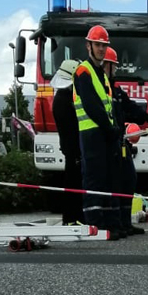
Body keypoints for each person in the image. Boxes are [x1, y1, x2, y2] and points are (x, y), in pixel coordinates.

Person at [103, 46, 148, 235]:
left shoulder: (116, 90)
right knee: (113, 184)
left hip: (121, 143)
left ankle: (124, 222)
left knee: (128, 180)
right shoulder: (101, 88)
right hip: (108, 143)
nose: (115, 69)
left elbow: (131, 108)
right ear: (106, 65)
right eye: (113, 66)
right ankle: (113, 224)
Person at [73, 24, 123, 240]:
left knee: (108, 180)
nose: (101, 49)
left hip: (104, 133)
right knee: (94, 181)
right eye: (98, 45)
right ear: (89, 46)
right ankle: (95, 225)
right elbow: (93, 106)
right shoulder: (83, 71)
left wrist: (113, 130)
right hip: (92, 133)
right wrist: (109, 128)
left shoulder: (101, 75)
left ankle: (111, 224)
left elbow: (107, 106)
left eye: (104, 46)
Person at [51, 59, 84, 225]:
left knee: (73, 183)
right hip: (73, 149)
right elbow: (71, 128)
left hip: (70, 148)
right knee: (73, 184)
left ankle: (72, 217)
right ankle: (72, 218)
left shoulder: (61, 98)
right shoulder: (64, 101)